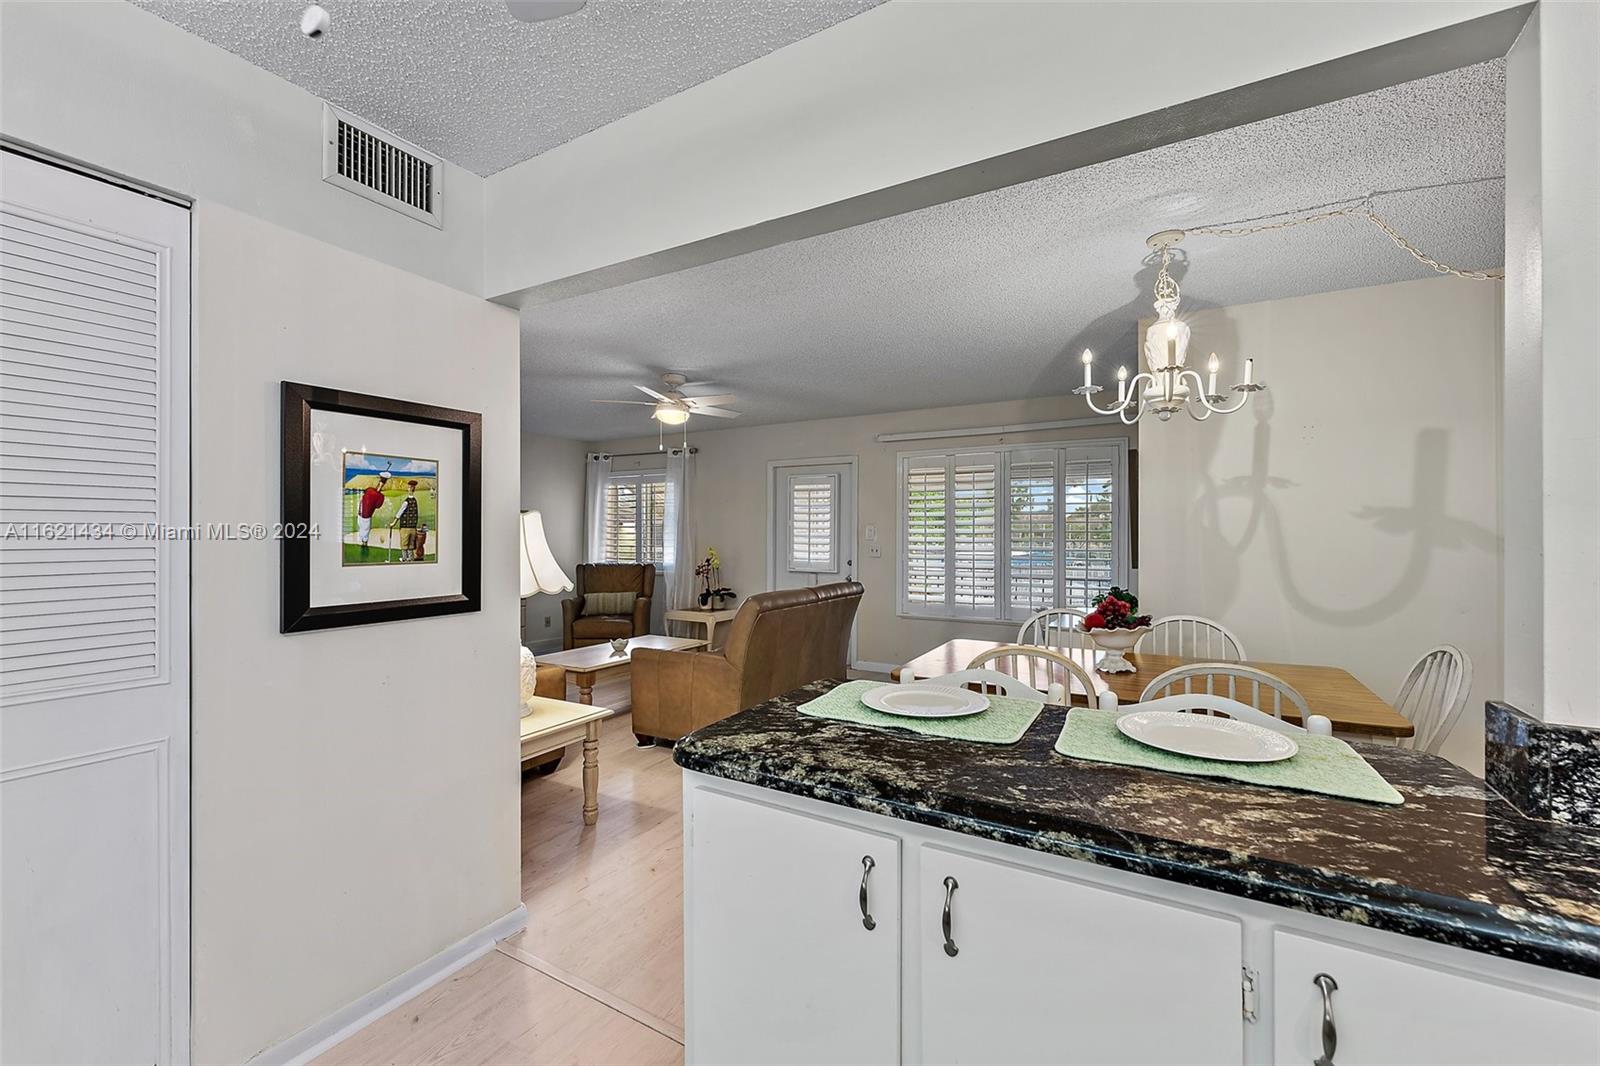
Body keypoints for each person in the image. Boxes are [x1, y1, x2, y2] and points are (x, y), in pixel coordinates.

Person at [356, 472, 389, 558]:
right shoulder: (373, 491)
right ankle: (363, 545)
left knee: (365, 532)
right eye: (380, 484)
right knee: (363, 530)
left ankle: (364, 546)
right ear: (379, 483)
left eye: (382, 484)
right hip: (361, 514)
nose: (380, 486)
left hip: (366, 516)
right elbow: (377, 505)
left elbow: (378, 506)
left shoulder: (379, 495)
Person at [391, 480, 421, 562]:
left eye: (408, 487)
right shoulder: (415, 501)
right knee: (411, 545)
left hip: (405, 528)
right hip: (413, 528)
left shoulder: (406, 502)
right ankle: (410, 559)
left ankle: (404, 559)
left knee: (404, 545)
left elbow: (399, 513)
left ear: (410, 489)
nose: (408, 488)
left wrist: (393, 523)